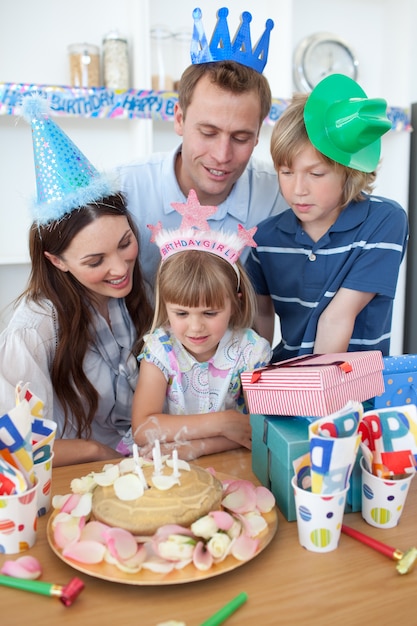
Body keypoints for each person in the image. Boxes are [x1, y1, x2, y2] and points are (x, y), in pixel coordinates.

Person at [0, 95, 153, 466]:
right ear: (57, 261)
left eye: (125, 243)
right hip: (78, 478)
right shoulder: (34, 329)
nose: (120, 268)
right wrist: (98, 452)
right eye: (95, 260)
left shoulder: (136, 294)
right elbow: (13, 441)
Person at [118, 6, 287, 288]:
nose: (222, 155)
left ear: (258, 134)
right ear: (179, 119)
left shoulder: (282, 194)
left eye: (241, 138)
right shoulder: (124, 191)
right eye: (208, 132)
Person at [245, 73, 409, 361]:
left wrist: (313, 402)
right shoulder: (264, 240)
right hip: (286, 386)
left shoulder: (384, 221)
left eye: (316, 174)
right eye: (286, 172)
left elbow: (336, 319)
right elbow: (258, 328)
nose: (298, 190)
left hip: (357, 389)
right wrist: (252, 386)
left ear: (350, 170)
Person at [130, 191, 272, 460]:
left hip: (231, 462)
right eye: (181, 313)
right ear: (166, 305)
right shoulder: (161, 348)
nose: (195, 327)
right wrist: (222, 423)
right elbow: (143, 429)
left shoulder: (252, 351)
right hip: (170, 470)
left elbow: (258, 430)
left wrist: (194, 446)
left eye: (210, 312)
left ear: (235, 303)